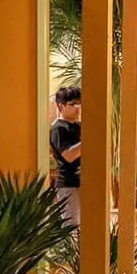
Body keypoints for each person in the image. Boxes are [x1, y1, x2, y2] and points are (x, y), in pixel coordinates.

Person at [50, 86, 82, 230]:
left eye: (79, 103)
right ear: (61, 106)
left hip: (82, 182)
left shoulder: (79, 126)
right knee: (71, 227)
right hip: (69, 184)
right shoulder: (58, 129)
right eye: (72, 104)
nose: (77, 107)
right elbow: (69, 155)